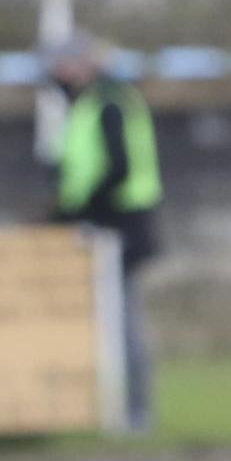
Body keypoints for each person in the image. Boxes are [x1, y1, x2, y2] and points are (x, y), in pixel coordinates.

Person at [46, 33, 164, 432]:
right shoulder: (92, 103)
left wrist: (80, 210)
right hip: (108, 222)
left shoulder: (109, 102)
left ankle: (136, 412)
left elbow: (118, 168)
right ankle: (112, 408)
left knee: (124, 320)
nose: (55, 75)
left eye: (62, 65)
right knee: (112, 320)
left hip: (121, 226)